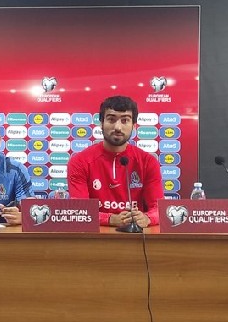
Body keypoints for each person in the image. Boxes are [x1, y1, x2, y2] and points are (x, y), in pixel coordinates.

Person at [67, 95, 163, 228]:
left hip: (135, 236)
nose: (118, 127)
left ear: (134, 125)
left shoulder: (148, 162)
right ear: (101, 123)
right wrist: (110, 219)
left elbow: (159, 209)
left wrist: (147, 218)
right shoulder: (79, 161)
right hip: (94, 236)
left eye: (125, 120)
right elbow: (80, 210)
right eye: (111, 119)